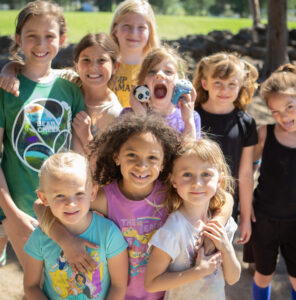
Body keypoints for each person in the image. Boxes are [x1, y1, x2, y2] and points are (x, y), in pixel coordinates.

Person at [34, 113, 233, 300]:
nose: (142, 165)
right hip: (117, 294)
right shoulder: (104, 197)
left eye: (152, 158)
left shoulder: (170, 192)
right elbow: (40, 206)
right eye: (131, 155)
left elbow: (225, 200)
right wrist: (65, 240)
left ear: (164, 163)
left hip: (164, 294)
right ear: (116, 157)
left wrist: (214, 226)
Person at [0, 0, 85, 269]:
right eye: (32, 36)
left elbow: (79, 154)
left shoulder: (71, 89)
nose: (41, 44)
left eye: (49, 36)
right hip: (16, 210)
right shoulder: (6, 90)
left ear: (61, 39)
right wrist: (11, 213)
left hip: (62, 211)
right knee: (33, 285)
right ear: (18, 39)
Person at [23, 152, 128, 299]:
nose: (70, 203)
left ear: (92, 193)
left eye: (79, 193)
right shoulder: (39, 237)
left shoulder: (109, 233)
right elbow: (30, 286)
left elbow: (118, 286)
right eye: (59, 195)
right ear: (44, 198)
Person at [145, 138, 241, 299]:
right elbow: (151, 283)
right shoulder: (173, 230)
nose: (197, 183)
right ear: (173, 180)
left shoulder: (222, 224)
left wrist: (226, 248)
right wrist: (198, 272)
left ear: (219, 180)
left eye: (206, 174)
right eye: (187, 174)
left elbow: (232, 278)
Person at [243, 64, 296, 300]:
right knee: (263, 274)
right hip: (264, 218)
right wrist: (245, 215)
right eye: (275, 111)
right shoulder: (264, 133)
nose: (283, 116)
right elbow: (246, 171)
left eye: (289, 107)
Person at [193, 52, 258, 244]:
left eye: (232, 84)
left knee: (217, 264)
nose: (225, 90)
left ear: (240, 86)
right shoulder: (191, 116)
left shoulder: (246, 123)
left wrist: (245, 218)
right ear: (205, 83)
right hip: (192, 199)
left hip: (226, 205)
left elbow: (245, 173)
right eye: (218, 83)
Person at [124, 46, 201, 140]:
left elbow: (190, 154)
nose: (159, 74)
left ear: (180, 82)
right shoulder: (128, 116)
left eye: (168, 71)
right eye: (152, 72)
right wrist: (141, 118)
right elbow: (145, 152)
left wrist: (188, 121)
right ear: (142, 82)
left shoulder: (191, 117)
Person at [70, 33, 122, 148]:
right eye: (86, 60)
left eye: (101, 60)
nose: (93, 67)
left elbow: (104, 163)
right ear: (76, 66)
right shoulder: (67, 90)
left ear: (115, 67)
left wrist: (86, 136)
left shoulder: (114, 113)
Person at [109, 0, 160, 107]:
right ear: (115, 29)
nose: (133, 33)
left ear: (150, 32)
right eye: (127, 26)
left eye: (141, 27)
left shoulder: (157, 71)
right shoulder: (105, 66)